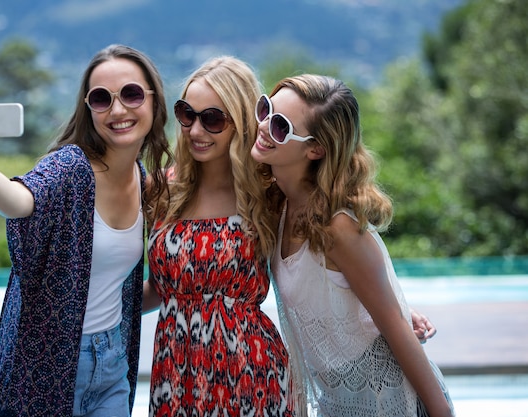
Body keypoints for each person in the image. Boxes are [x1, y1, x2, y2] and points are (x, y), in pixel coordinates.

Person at [0, 44, 172, 417]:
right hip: (48, 369)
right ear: (88, 109)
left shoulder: (143, 181)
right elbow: (20, 201)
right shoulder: (70, 168)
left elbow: (128, 291)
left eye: (131, 94)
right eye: (102, 99)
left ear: (153, 101)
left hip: (113, 363)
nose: (118, 110)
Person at [250, 74, 454, 416]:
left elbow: (395, 328)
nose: (264, 127)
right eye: (265, 110)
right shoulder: (279, 206)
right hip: (337, 402)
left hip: (388, 403)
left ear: (316, 148)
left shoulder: (338, 227)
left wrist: (441, 413)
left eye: (281, 126)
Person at [142, 56, 295, 416]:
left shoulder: (269, 193)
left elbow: (322, 253)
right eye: (187, 114)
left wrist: (380, 307)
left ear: (241, 122)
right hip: (175, 374)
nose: (195, 131)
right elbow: (158, 290)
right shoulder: (163, 190)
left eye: (212, 119)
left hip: (252, 374)